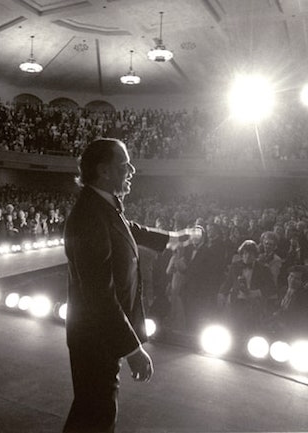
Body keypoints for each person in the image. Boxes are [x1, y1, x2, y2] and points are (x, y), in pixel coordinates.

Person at [62, 138, 200, 433]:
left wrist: (173, 238)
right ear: (104, 171)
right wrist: (132, 349)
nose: (132, 170)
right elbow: (100, 294)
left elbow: (130, 229)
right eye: (125, 164)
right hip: (95, 338)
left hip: (99, 335)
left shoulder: (103, 205)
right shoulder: (89, 216)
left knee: (90, 413)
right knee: (96, 417)